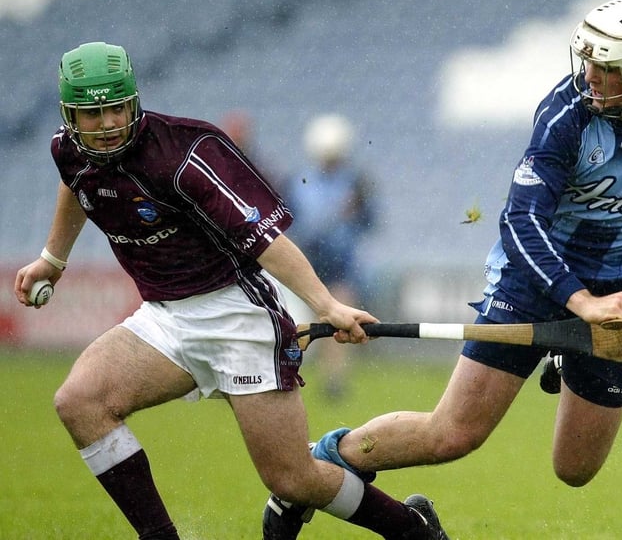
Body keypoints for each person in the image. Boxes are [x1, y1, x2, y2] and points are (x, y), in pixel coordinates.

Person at [264, 0, 622, 534]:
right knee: (453, 434)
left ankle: (562, 359)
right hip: (539, 280)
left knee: (575, 470)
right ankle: (323, 461)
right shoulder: (566, 117)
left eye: (608, 71)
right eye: (587, 63)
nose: (590, 79)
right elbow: (520, 224)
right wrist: (578, 302)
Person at [13, 42, 448, 540]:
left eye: (118, 107)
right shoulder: (68, 149)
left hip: (236, 313)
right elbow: (77, 181)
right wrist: (53, 257)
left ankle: (413, 531)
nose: (109, 122)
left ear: (134, 100)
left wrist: (328, 304)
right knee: (80, 402)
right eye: (93, 114)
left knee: (293, 478)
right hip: (163, 319)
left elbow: (268, 243)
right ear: (70, 115)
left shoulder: (187, 153)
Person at [284, 114, 375, 400]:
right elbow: (292, 224)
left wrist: (355, 213)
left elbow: (369, 222)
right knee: (306, 321)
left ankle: (333, 378)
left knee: (336, 317)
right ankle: (286, 373)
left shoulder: (356, 182)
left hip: (340, 262)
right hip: (307, 260)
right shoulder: (299, 183)